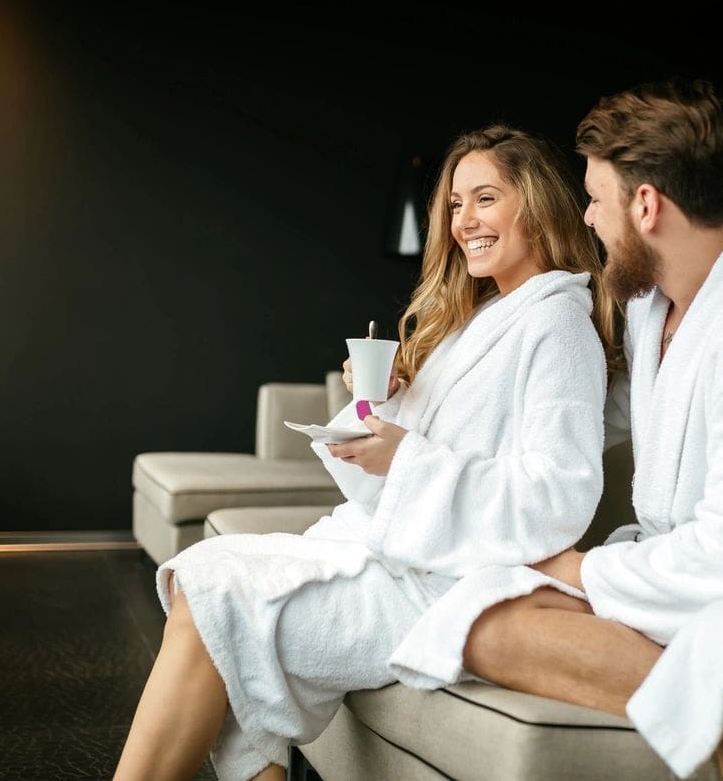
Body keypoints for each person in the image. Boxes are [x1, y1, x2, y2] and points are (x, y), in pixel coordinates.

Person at [114, 125, 620, 781]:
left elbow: (558, 499)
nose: (465, 220)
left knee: (213, 595)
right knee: (202, 578)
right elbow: (388, 471)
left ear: (538, 204)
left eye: (486, 198)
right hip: (390, 553)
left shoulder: (557, 324)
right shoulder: (475, 322)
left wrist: (404, 457)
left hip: (442, 586)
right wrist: (371, 409)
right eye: (457, 204)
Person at [461, 80, 723, 780]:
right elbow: (578, 416)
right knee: (486, 620)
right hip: (670, 577)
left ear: (646, 205)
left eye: (596, 199)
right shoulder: (653, 307)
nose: (590, 219)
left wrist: (583, 570)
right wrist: (443, 417)